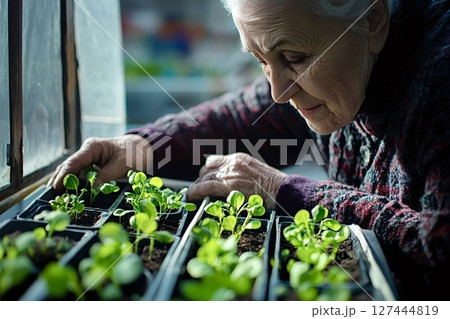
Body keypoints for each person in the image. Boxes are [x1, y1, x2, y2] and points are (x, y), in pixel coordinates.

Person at [48, 0, 449, 300]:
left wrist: (288, 192)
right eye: (261, 60)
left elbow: (437, 250)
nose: (279, 91)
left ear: (372, 22)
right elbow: (249, 113)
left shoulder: (439, 75)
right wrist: (142, 145)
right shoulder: (344, 65)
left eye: (294, 58)